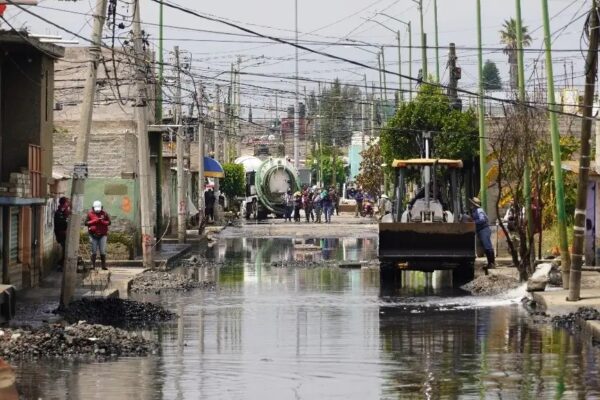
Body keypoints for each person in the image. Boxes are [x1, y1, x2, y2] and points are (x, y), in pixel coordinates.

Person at [470, 197, 495, 273]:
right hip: (481, 230)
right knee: (486, 246)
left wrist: (474, 222)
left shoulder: (479, 210)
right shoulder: (475, 211)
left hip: (484, 230)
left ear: (474, 205)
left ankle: (492, 263)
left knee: (488, 246)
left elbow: (482, 219)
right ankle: (490, 263)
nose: (470, 205)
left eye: (471, 203)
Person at [85, 200, 111, 270]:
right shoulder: (90, 214)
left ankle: (103, 265)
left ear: (102, 207)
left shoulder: (105, 214)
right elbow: (86, 223)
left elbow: (109, 222)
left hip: (103, 235)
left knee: (102, 250)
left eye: (99, 210)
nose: (97, 211)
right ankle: (92, 265)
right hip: (93, 235)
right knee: (93, 250)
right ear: (93, 208)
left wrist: (102, 222)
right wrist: (94, 221)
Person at [53, 196, 71, 271]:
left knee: (66, 251)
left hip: (64, 234)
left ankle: (61, 265)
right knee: (66, 251)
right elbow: (61, 223)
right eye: (67, 203)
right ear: (64, 203)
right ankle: (60, 265)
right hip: (61, 235)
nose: (68, 205)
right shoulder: (59, 212)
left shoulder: (65, 211)